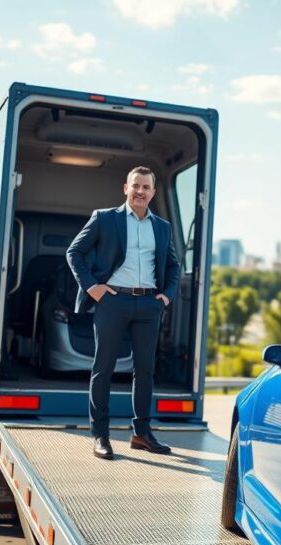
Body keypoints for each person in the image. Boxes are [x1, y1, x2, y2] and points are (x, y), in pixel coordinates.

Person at [66, 166, 180, 459]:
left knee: (145, 371)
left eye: (146, 187)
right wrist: (93, 287)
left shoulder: (163, 227)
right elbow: (74, 252)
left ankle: (141, 433)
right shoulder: (104, 218)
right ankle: (100, 436)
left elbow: (173, 265)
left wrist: (166, 296)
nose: (140, 191)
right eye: (136, 186)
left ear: (153, 192)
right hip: (112, 301)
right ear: (125, 188)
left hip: (148, 306)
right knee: (103, 369)